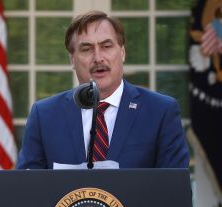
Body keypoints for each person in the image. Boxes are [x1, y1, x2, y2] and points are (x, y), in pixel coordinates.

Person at [16, 10, 189, 169]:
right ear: (72, 60)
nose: (98, 58)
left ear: (122, 52)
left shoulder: (160, 111)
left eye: (106, 46)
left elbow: (174, 192)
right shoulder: (44, 115)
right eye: (87, 49)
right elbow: (26, 190)